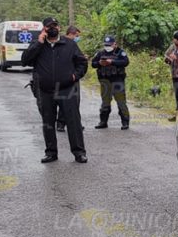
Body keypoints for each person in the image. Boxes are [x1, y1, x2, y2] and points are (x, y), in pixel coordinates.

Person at [21, 17, 89, 163]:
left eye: (55, 25)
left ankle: (79, 152)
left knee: (73, 121)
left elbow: (82, 63)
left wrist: (75, 76)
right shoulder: (38, 44)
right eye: (49, 26)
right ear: (44, 29)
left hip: (67, 89)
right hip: (45, 91)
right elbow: (25, 61)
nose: (52, 28)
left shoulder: (69, 44)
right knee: (48, 122)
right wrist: (38, 43)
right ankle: (51, 153)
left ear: (59, 28)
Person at [90, 35, 131, 130]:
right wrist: (99, 63)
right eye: (106, 45)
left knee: (121, 102)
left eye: (109, 45)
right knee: (105, 103)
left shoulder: (120, 52)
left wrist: (112, 62)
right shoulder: (100, 53)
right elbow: (93, 64)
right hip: (105, 81)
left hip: (117, 81)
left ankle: (125, 122)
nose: (107, 47)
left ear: (114, 44)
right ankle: (103, 122)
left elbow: (125, 62)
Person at [56, 25, 82, 132]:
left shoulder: (72, 45)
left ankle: (75, 123)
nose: (78, 38)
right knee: (66, 100)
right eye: (77, 36)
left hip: (73, 76)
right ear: (71, 34)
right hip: (65, 77)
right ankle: (61, 123)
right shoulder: (63, 44)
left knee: (74, 101)